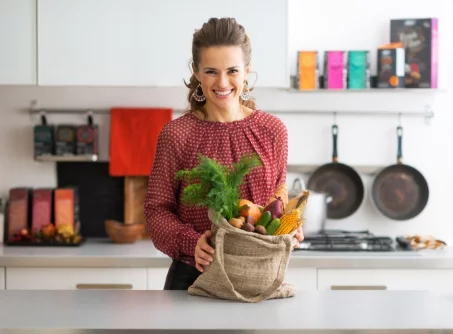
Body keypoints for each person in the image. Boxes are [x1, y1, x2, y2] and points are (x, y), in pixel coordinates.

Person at [144, 17, 304, 291]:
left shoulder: (273, 130)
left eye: (232, 70)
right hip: (194, 277)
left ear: (247, 71)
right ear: (196, 72)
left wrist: (288, 229)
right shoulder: (177, 134)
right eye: (210, 71)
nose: (222, 82)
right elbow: (156, 211)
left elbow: (278, 198)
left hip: (259, 277)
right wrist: (191, 243)